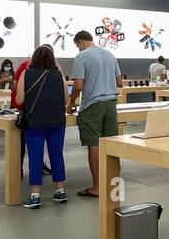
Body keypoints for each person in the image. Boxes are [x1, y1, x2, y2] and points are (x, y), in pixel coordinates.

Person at [65, 30, 122, 198]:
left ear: (80, 42)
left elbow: (78, 86)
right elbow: (119, 81)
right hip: (111, 104)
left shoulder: (81, 57)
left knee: (94, 145)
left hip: (92, 105)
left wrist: (71, 102)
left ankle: (97, 187)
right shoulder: (109, 54)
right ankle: (113, 187)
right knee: (111, 145)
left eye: (77, 45)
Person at [16, 44, 67, 208]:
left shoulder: (26, 73)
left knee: (35, 157)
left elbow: (19, 100)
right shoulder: (59, 75)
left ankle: (35, 195)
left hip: (34, 122)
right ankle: (60, 191)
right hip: (57, 121)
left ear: (34, 57)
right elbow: (66, 100)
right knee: (57, 155)